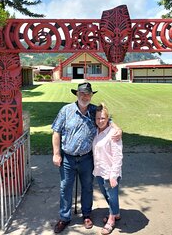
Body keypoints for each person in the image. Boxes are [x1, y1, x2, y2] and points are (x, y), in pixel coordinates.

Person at [51, 82, 122, 233]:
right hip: (67, 158)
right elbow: (56, 131)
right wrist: (56, 153)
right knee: (65, 188)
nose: (85, 96)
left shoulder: (93, 110)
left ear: (91, 95)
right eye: (82, 93)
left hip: (86, 158)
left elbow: (107, 120)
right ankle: (64, 217)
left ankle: (87, 215)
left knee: (87, 187)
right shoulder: (66, 110)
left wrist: (118, 128)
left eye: (88, 94)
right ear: (77, 94)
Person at [93, 103, 123, 235]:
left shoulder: (113, 133)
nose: (100, 121)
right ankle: (115, 213)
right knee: (107, 195)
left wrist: (114, 175)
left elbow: (118, 156)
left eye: (103, 118)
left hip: (110, 172)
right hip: (99, 170)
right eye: (98, 118)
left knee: (112, 196)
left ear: (108, 118)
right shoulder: (96, 130)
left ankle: (111, 220)